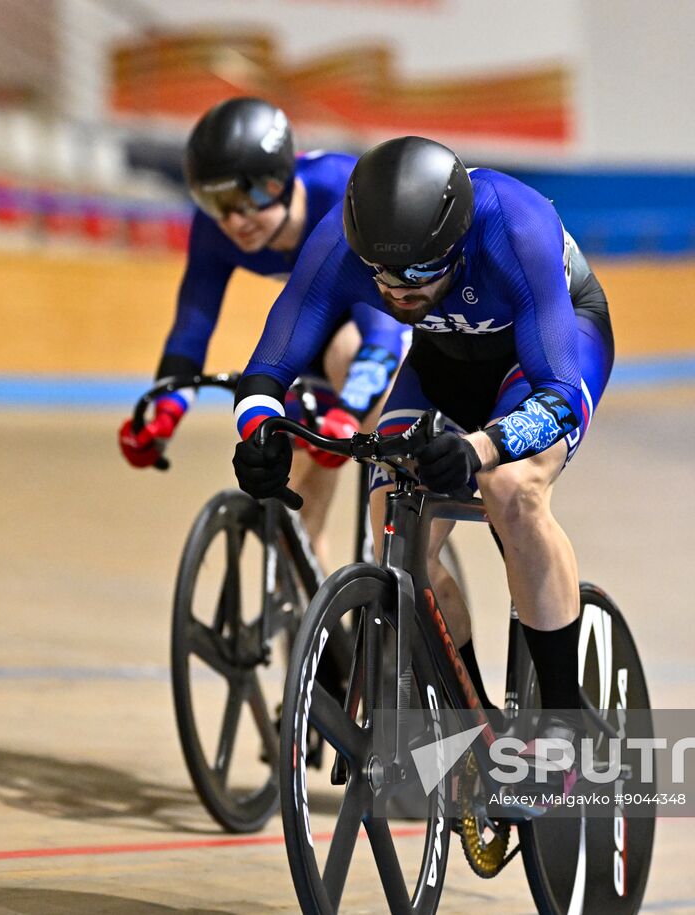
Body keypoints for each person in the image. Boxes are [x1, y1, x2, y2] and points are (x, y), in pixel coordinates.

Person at [230, 136, 615, 759]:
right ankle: (477, 726)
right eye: (379, 272)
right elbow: (270, 364)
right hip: (441, 364)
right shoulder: (343, 243)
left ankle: (564, 722)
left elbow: (562, 394)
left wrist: (481, 448)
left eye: (415, 272)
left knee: (510, 490)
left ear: (456, 244)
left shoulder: (514, 226)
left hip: (546, 355)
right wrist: (257, 432)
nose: (395, 289)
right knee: (394, 526)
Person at [119, 97, 406, 566]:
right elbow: (192, 326)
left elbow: (384, 329)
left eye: (248, 196)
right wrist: (165, 410)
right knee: (293, 504)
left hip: (375, 325)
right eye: (216, 203)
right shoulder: (215, 230)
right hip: (309, 335)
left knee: (348, 353)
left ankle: (393, 546)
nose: (235, 220)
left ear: (282, 178)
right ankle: (316, 605)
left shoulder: (341, 192)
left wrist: (350, 411)